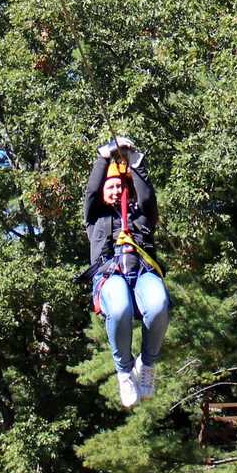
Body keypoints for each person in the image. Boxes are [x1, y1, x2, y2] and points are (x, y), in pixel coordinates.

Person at [82, 136, 169, 408]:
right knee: (118, 308)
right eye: (111, 186)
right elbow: (91, 193)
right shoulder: (96, 218)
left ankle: (147, 365)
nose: (116, 189)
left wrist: (135, 163)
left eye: (121, 185)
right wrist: (104, 156)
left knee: (159, 304)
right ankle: (124, 370)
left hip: (142, 272)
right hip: (110, 274)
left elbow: (147, 196)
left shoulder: (142, 216)